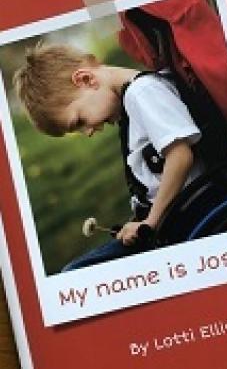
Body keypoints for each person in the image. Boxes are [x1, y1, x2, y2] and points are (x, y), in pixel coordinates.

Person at [13, 44, 205, 270]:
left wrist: (150, 222)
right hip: (166, 217)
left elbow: (180, 156)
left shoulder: (142, 93)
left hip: (182, 216)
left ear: (86, 80)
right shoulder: (131, 101)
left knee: (77, 272)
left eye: (79, 121)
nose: (88, 132)